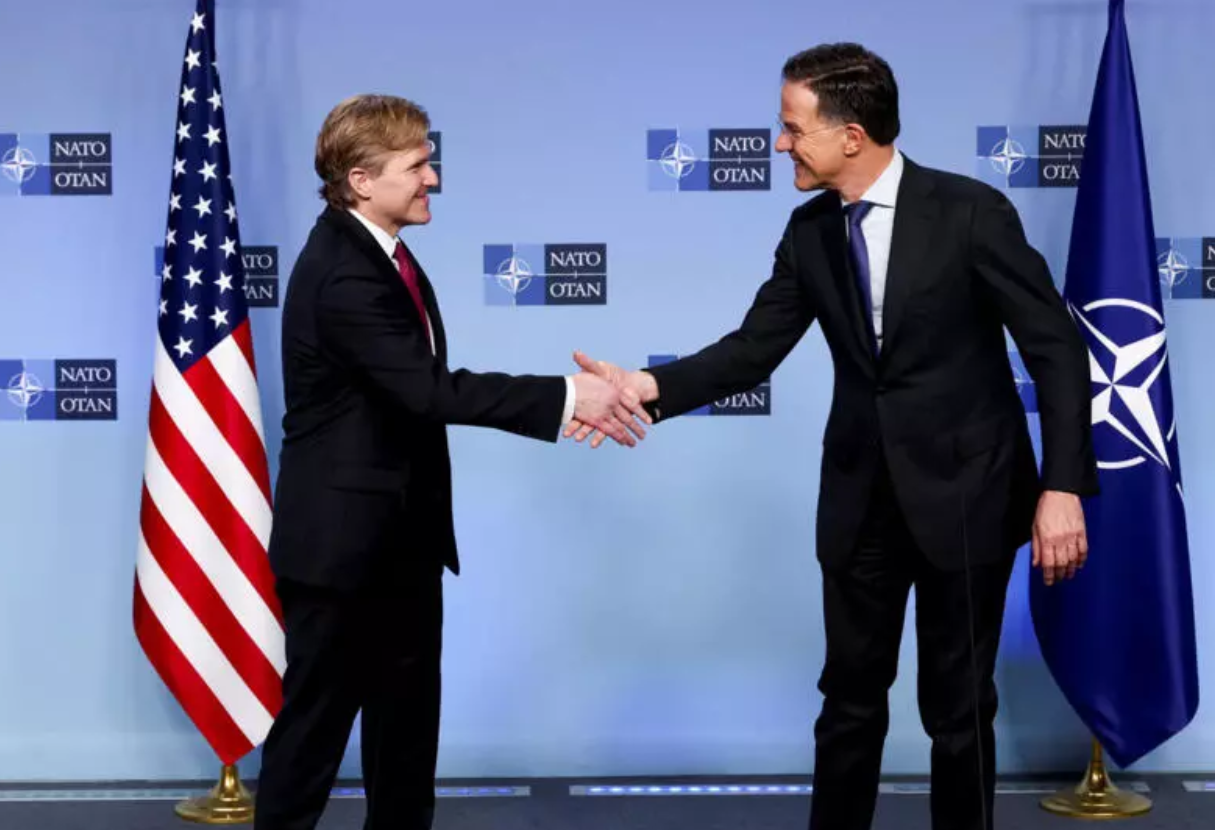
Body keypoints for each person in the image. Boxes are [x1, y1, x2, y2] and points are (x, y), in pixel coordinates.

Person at [570, 43, 1098, 830]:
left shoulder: (971, 212)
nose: (780, 143)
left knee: (958, 709)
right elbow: (752, 349)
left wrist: (1062, 487)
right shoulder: (810, 230)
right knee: (849, 702)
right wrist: (647, 386)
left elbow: (1055, 349)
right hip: (859, 502)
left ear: (852, 136)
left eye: (793, 128)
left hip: (969, 495)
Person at [254, 93, 650, 830]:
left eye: (429, 162)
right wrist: (569, 397)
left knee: (406, 742)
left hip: (402, 542)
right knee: (312, 740)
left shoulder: (386, 256)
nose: (433, 178)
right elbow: (428, 390)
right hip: (342, 553)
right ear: (361, 181)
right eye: (417, 166)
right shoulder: (343, 272)